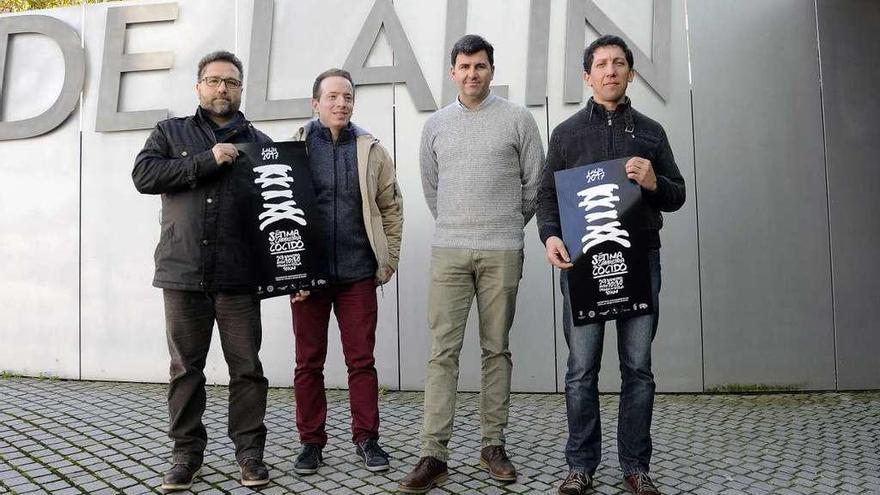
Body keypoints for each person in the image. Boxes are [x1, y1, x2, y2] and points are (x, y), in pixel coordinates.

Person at [536, 35, 686, 495]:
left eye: (618, 63)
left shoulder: (651, 132)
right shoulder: (565, 134)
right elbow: (546, 197)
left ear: (630, 73)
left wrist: (654, 180)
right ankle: (580, 467)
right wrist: (551, 236)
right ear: (587, 76)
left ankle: (636, 468)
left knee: (637, 368)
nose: (610, 71)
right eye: (600, 64)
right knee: (581, 368)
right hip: (583, 267)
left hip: (640, 262)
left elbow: (677, 195)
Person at [398, 34, 544, 494]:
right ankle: (432, 454)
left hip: (502, 248)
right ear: (452, 72)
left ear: (491, 70)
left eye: (479, 66)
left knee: (495, 349)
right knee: (442, 352)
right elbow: (432, 188)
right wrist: (460, 224)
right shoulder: (436, 126)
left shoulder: (519, 120)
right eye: (463, 66)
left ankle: (492, 445)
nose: (471, 74)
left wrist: (505, 224)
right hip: (450, 251)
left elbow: (534, 186)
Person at [132, 50, 272, 491]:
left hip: (238, 278)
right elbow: (144, 175)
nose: (221, 89)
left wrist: (291, 274)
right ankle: (186, 455)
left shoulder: (261, 143)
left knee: (247, 369)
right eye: (213, 81)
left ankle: (250, 455)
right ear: (198, 87)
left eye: (230, 82)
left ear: (240, 89)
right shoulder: (169, 133)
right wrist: (208, 160)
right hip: (183, 272)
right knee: (185, 370)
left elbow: (278, 214)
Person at [288, 68, 403, 476]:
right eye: (332, 97)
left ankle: (367, 439)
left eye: (347, 97)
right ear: (315, 103)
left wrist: (388, 259)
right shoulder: (295, 148)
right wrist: (291, 273)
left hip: (358, 274)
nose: (341, 103)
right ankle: (310, 443)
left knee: (362, 361)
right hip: (309, 278)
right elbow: (279, 212)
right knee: (308, 363)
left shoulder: (370, 148)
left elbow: (391, 205)